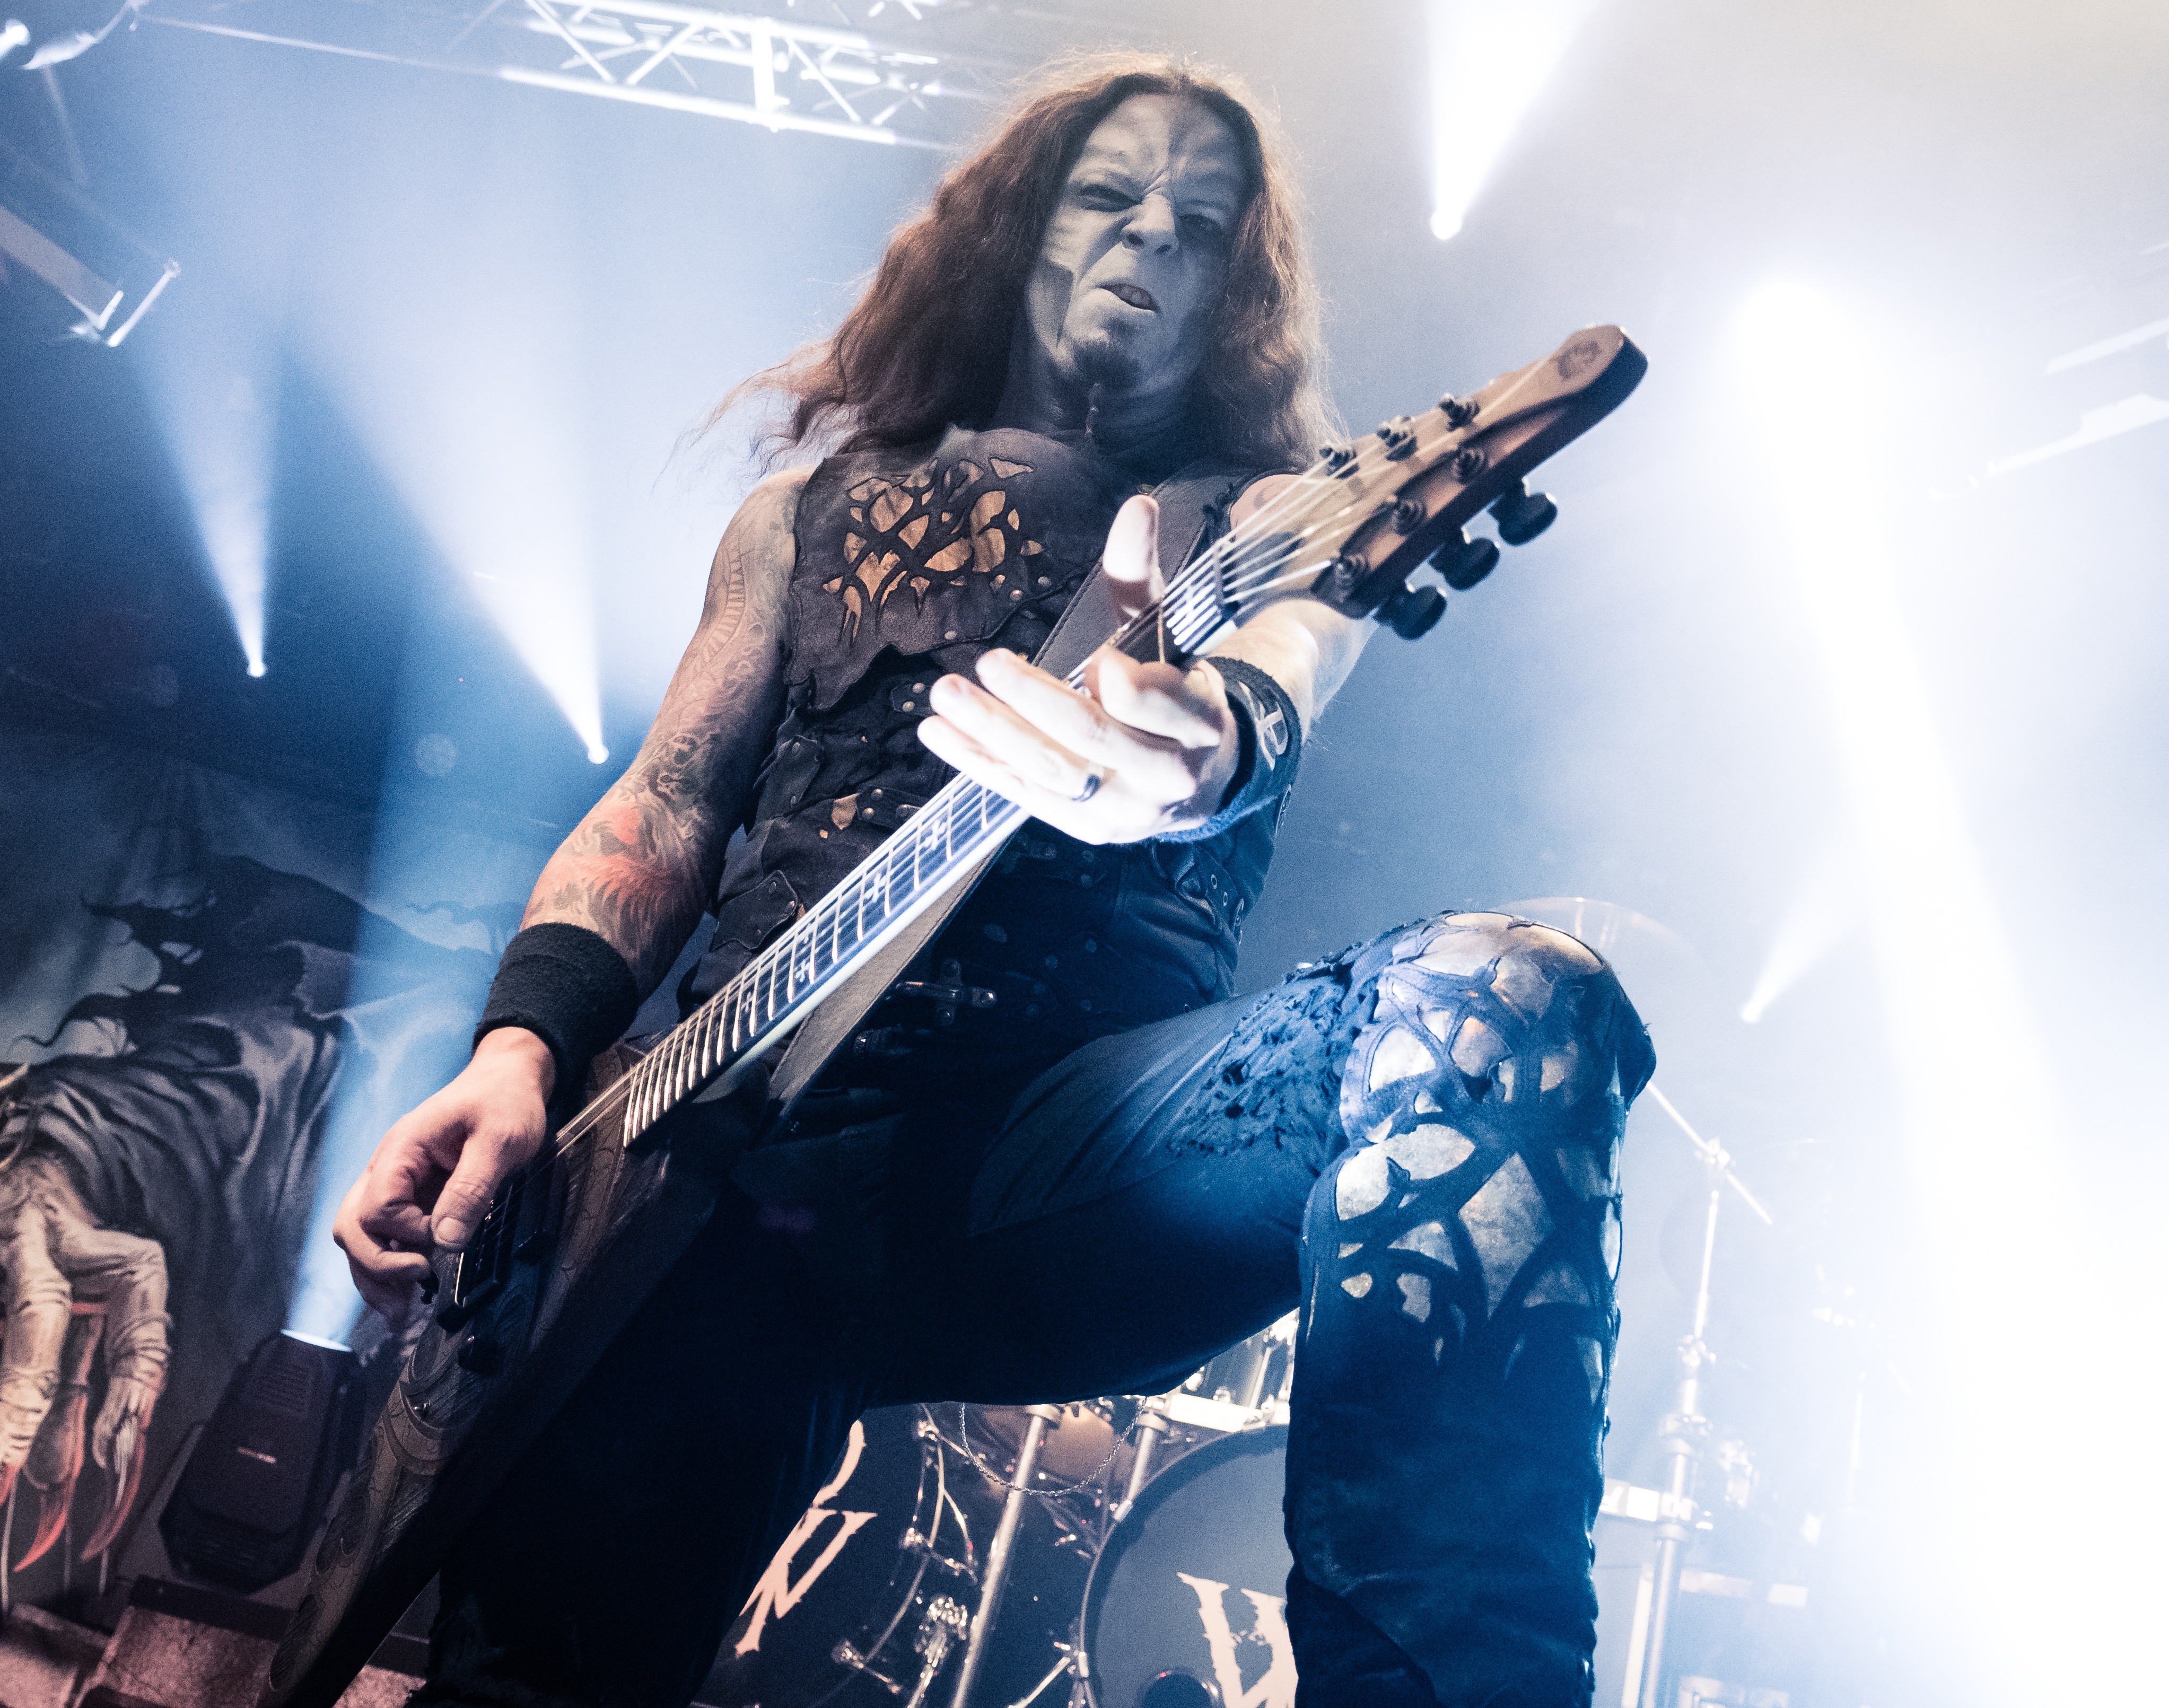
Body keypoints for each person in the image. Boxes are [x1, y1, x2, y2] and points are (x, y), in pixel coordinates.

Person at [335, 54, 1653, 1708]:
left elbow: (1277, 679)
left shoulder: (1283, 520)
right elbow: (669, 800)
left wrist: (1191, 754)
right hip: (704, 1176)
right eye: (1111, 194)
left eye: (1201, 222)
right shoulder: (798, 516)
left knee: (1507, 1003)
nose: (1152, 234)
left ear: (1234, 291)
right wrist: (520, 1049)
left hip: (1055, 1154)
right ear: (1017, 228)